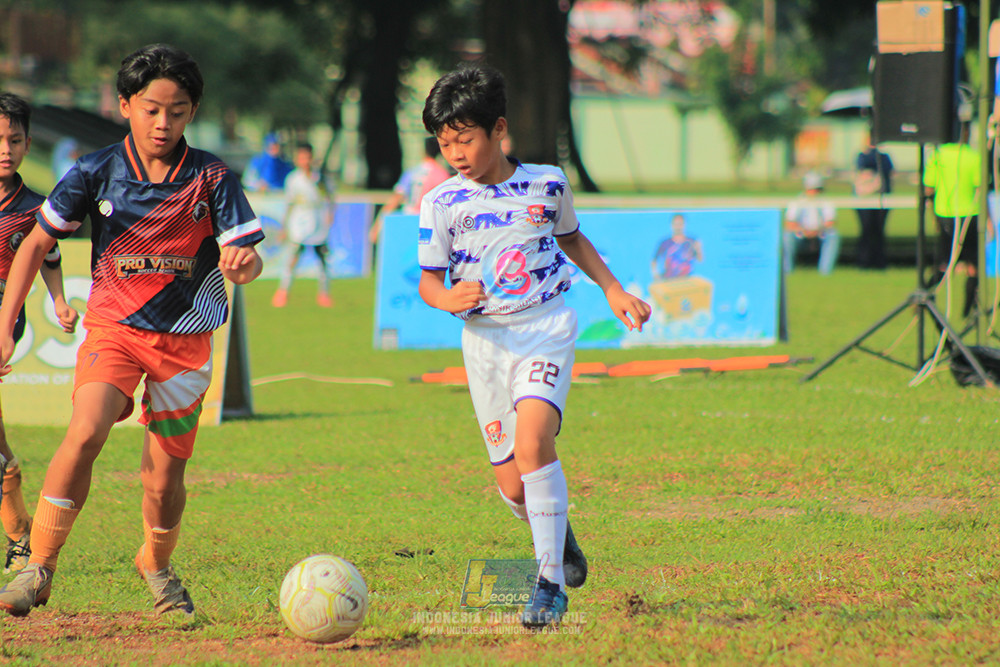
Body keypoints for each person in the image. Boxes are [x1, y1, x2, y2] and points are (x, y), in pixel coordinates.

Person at [0, 44, 264, 619]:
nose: (163, 122)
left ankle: (156, 563)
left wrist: (243, 263)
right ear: (126, 105)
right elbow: (36, 246)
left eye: (177, 109)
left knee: (162, 478)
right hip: (113, 329)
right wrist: (4, 328)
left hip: (186, 340)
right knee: (87, 427)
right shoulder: (95, 170)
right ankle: (38, 566)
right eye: (151, 109)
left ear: (192, 111)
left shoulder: (213, 176)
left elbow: (244, 252)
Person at [417, 64, 650, 629]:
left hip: (545, 328)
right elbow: (427, 282)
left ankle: (548, 584)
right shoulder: (441, 204)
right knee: (512, 483)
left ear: (498, 129)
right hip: (485, 345)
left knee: (534, 443)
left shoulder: (547, 184)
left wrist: (614, 289)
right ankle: (558, 532)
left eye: (465, 139)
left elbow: (572, 238)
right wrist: (448, 298)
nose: (456, 153)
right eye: (445, 143)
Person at [0, 93, 80, 575]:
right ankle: (18, 526)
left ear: (29, 144)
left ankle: (18, 535)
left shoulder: (36, 207)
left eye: (14, 139)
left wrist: (57, 300)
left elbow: (48, 255)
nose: (4, 149)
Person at [923, 124, 981, 317]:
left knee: (944, 264)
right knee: (973, 266)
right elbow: (979, 188)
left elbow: (929, 189)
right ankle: (968, 310)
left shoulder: (938, 156)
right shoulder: (973, 156)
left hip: (945, 214)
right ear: (966, 133)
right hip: (969, 215)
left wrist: (932, 215)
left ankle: (925, 294)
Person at [272, 142, 334, 308]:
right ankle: (283, 292)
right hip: (300, 221)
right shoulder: (293, 179)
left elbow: (329, 197)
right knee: (293, 257)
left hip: (318, 220)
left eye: (308, 157)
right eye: (302, 157)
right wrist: (284, 226)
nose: (305, 161)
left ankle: (324, 293)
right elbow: (289, 203)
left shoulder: (320, 177)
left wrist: (330, 215)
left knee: (323, 259)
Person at [368, 136, 450, 244]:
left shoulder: (412, 172)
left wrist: (377, 227)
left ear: (424, 151)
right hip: (427, 225)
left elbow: (395, 199)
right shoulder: (442, 175)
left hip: (407, 221)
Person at [783, 172, 840, 275]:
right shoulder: (797, 201)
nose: (814, 192)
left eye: (816, 189)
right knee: (786, 236)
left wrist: (817, 231)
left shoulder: (826, 201)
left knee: (833, 235)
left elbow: (831, 222)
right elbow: (789, 222)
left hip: (820, 233)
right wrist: (803, 231)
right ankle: (788, 270)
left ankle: (825, 271)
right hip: (800, 234)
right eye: (811, 189)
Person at [853, 131, 894, 270]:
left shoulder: (883, 157)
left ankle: (877, 261)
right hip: (865, 199)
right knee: (867, 230)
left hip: (880, 199)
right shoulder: (863, 156)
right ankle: (865, 261)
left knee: (877, 231)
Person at [651, 213, 703, 279]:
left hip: (686, 279)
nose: (678, 227)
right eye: (676, 224)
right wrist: (655, 274)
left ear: (684, 224)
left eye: (680, 224)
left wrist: (698, 249)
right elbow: (654, 260)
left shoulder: (691, 241)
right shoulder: (665, 243)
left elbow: (700, 260)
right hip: (669, 279)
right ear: (671, 225)